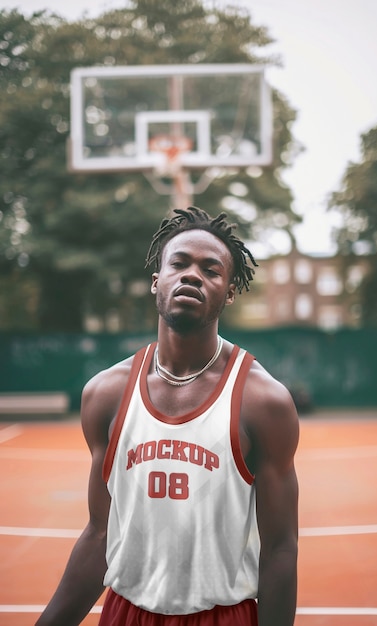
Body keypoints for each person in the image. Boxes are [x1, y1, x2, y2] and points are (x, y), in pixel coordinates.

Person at [36, 206, 299, 626]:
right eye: (178, 263)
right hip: (126, 611)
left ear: (229, 292)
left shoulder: (263, 402)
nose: (191, 275)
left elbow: (281, 548)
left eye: (211, 270)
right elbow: (101, 534)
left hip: (223, 615)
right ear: (157, 281)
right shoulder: (105, 394)